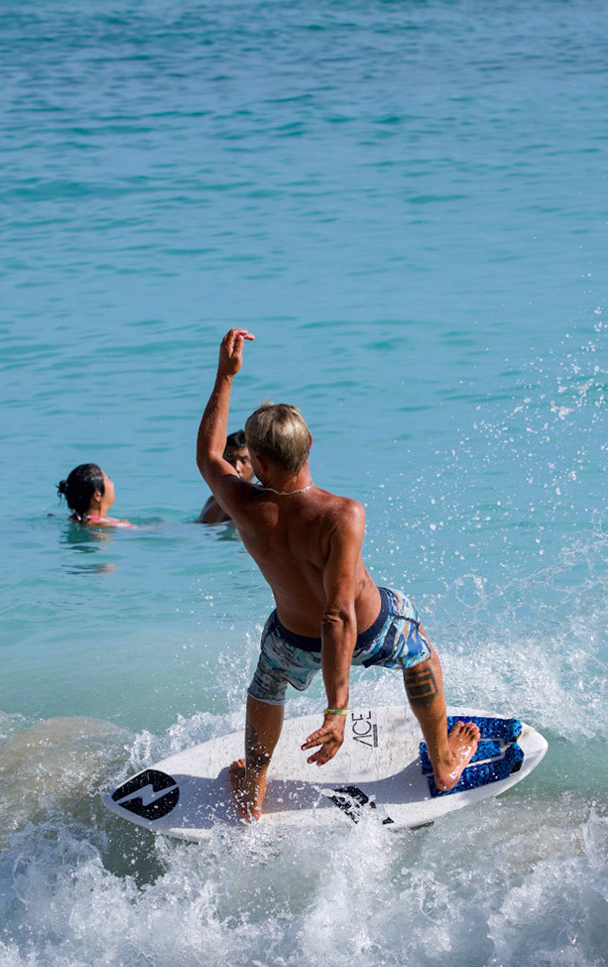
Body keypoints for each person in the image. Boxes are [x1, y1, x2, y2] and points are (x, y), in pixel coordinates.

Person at [195, 328, 480, 821]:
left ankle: (254, 785)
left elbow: (208, 455)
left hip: (290, 639)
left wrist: (225, 374)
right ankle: (443, 759)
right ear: (308, 445)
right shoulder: (342, 515)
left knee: (266, 688)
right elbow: (338, 615)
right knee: (419, 653)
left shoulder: (242, 503)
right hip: (369, 629)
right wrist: (337, 710)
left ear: (258, 464)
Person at [56, 463, 135, 528]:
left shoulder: (74, 519)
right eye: (109, 480)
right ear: (97, 495)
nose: (112, 484)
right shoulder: (105, 526)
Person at [198, 431, 253, 524]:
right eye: (230, 460)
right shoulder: (213, 500)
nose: (236, 468)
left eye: (244, 461)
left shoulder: (254, 504)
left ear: (257, 463)